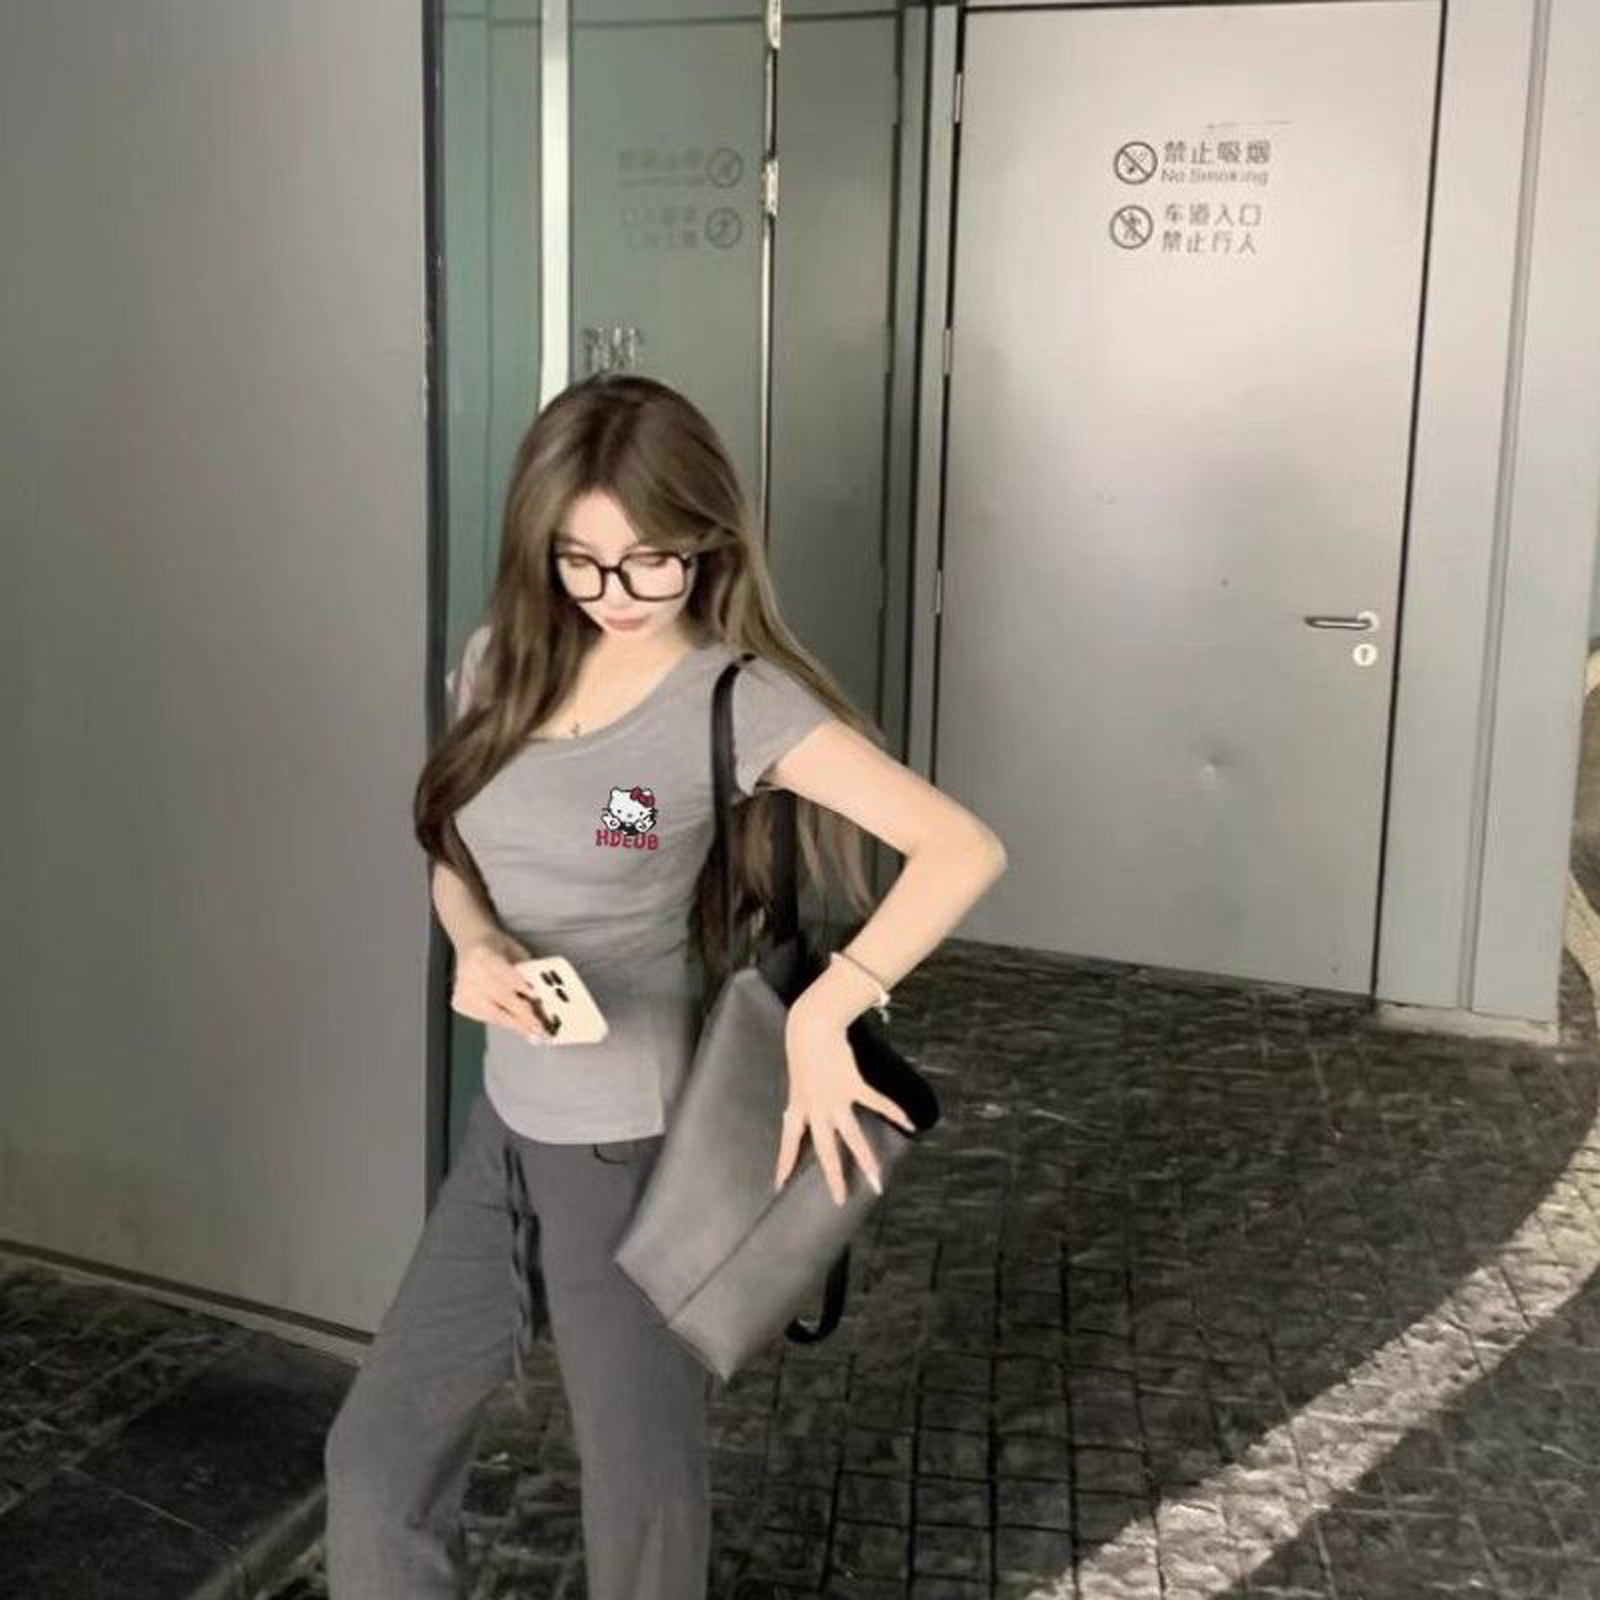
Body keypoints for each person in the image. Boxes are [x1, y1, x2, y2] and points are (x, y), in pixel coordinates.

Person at [322, 373, 1008, 1599]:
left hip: (630, 1152)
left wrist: (827, 1010)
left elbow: (961, 846)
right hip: (506, 1131)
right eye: (581, 560)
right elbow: (455, 851)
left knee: (639, 1519)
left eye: (650, 560)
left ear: (705, 539)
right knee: (375, 1462)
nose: (616, 593)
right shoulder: (502, 662)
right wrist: (476, 945)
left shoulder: (733, 700)